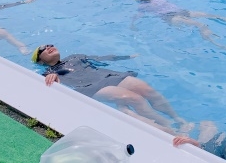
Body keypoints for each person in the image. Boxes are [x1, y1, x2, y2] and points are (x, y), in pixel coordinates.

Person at [33, 44, 188, 134]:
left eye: (50, 45)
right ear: (40, 61)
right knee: (134, 98)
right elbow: (53, 88)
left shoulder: (75, 56)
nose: (49, 47)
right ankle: (168, 127)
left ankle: (178, 119)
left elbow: (100, 59)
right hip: (89, 87)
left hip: (107, 75)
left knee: (146, 89)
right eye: (43, 49)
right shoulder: (48, 72)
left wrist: (126, 57)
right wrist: (52, 78)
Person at [131, 0, 226, 49]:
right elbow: (137, 16)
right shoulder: (143, 6)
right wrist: (133, 24)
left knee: (211, 15)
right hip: (171, 17)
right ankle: (218, 44)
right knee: (201, 25)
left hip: (182, 11)